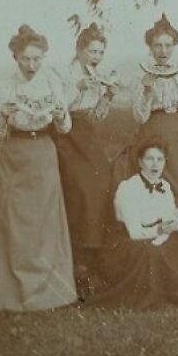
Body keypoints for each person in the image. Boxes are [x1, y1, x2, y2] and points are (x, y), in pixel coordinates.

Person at [0, 25, 77, 311]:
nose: (32, 65)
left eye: (37, 59)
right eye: (26, 59)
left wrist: (62, 114)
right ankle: (5, 290)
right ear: (15, 56)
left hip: (42, 154)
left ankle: (47, 290)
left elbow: (64, 128)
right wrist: (3, 114)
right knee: (12, 221)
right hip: (12, 156)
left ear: (44, 57)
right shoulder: (3, 85)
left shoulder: (52, 82)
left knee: (42, 221)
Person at [90, 137, 178, 309]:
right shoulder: (128, 188)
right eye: (149, 159)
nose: (154, 165)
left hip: (155, 233)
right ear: (140, 162)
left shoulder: (165, 186)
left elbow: (168, 218)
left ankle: (173, 294)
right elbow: (134, 232)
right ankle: (152, 297)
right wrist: (160, 230)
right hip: (127, 240)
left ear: (165, 163)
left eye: (159, 159)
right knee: (151, 252)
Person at [113, 13, 178, 206]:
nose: (163, 51)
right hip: (150, 132)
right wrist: (146, 90)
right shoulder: (141, 73)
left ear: (174, 46)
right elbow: (139, 116)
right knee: (150, 187)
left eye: (168, 45)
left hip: (177, 133)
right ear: (150, 46)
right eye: (158, 45)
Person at [56, 23, 118, 292]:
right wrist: (79, 87)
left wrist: (107, 97)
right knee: (80, 189)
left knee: (102, 184)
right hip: (67, 135)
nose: (96, 57)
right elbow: (58, 107)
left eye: (100, 52)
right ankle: (76, 258)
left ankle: (93, 255)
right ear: (79, 50)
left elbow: (95, 117)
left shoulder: (96, 74)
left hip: (89, 136)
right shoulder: (65, 73)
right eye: (92, 51)